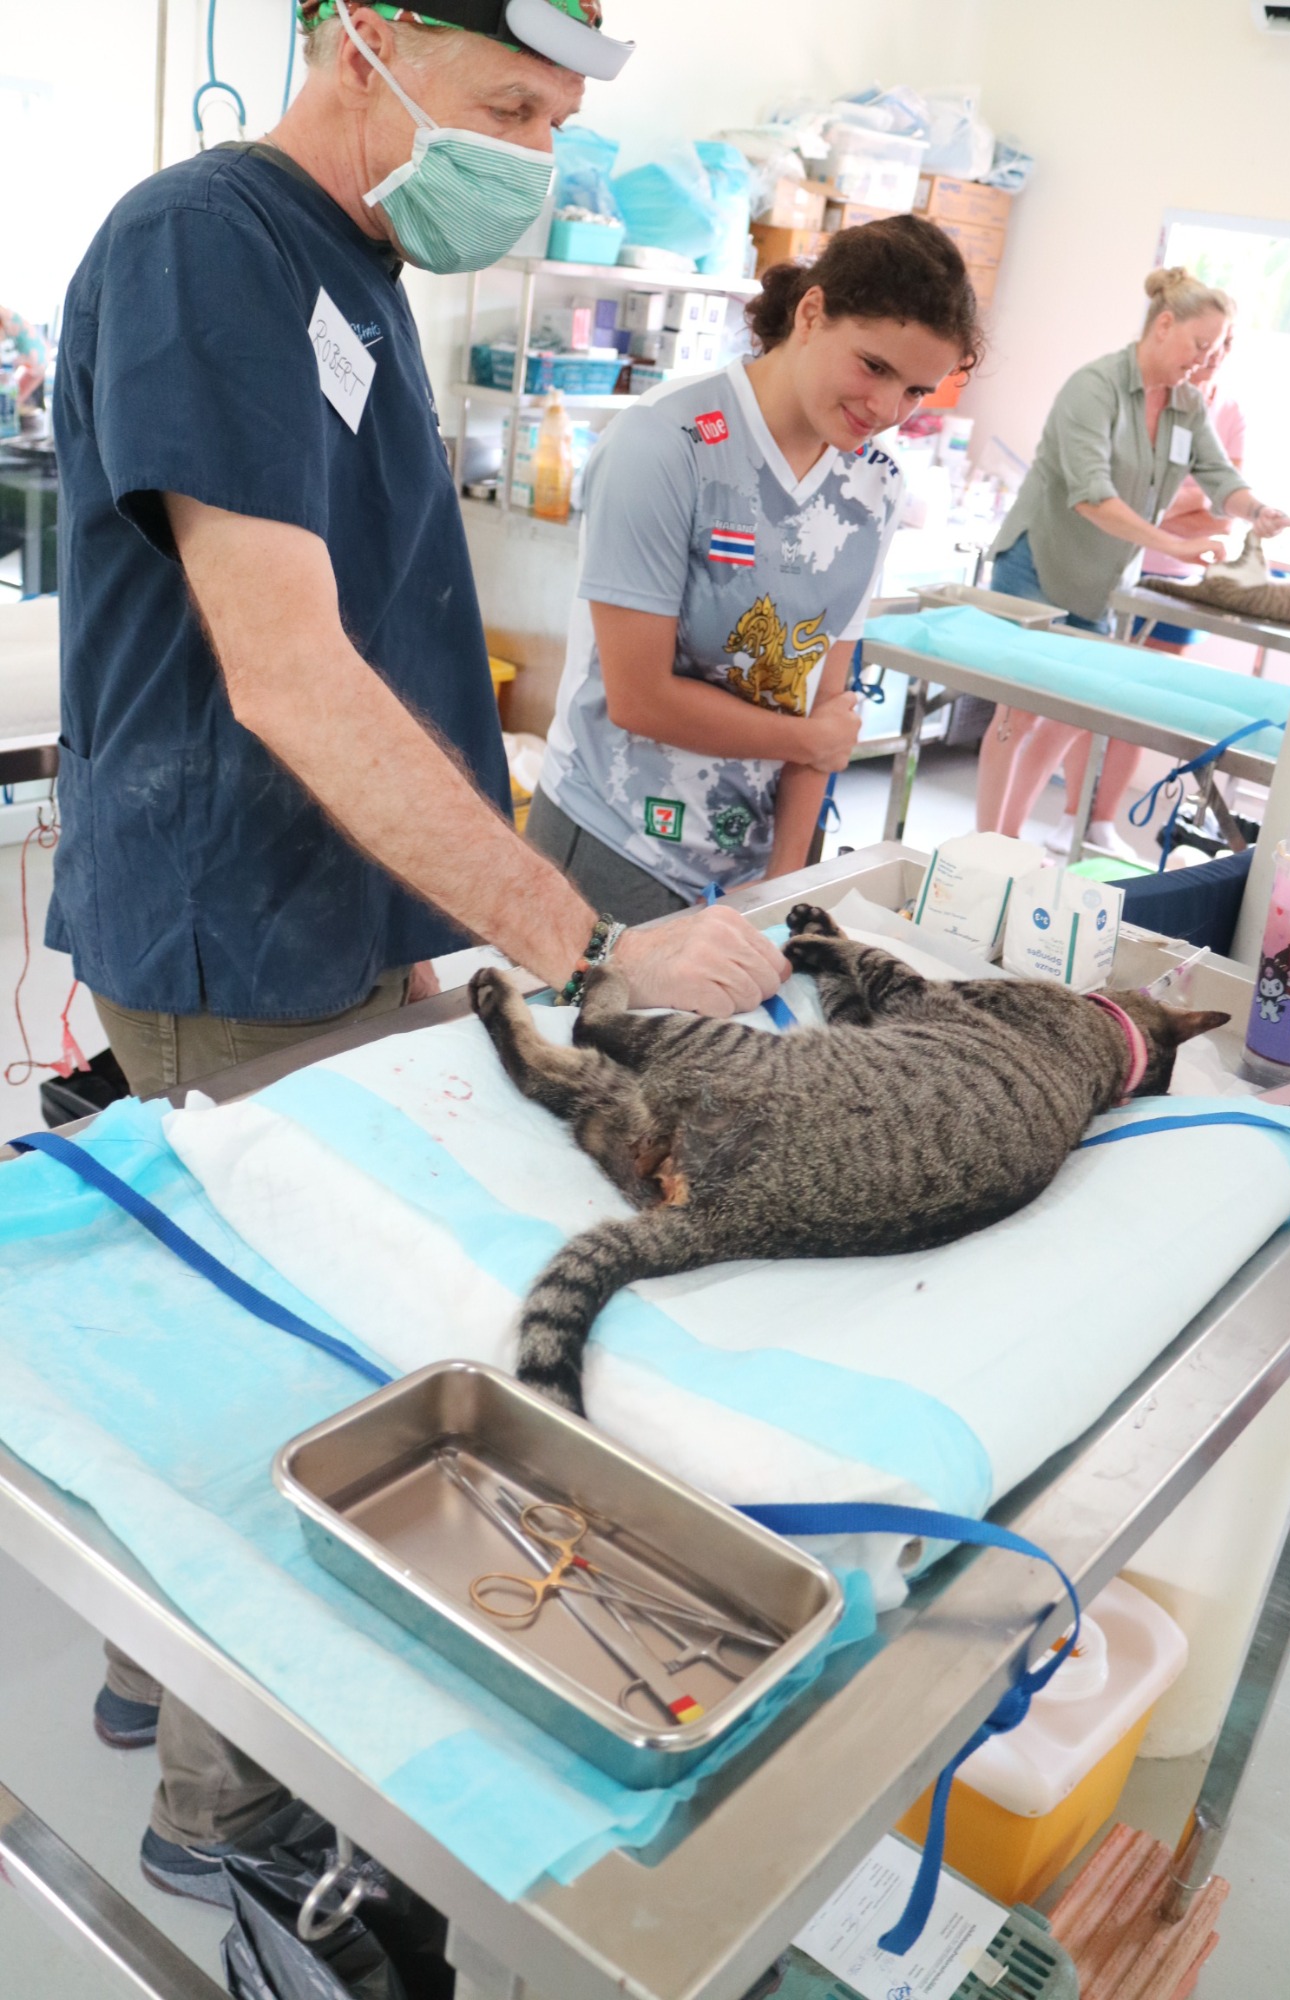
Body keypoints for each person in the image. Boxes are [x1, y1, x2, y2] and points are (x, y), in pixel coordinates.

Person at [53, 0, 785, 1903]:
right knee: (296, 1376)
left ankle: (144, 1678)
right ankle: (224, 1827)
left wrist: (471, 920)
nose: (528, 158)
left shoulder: (357, 267)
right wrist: (584, 949)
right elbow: (293, 676)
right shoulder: (206, 246)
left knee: (246, 1318)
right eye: (505, 106)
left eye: (551, 122)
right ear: (361, 39)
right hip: (235, 915)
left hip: (343, 908)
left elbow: (378, 627)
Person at [528, 217, 982, 917]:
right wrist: (807, 738)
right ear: (811, 313)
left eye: (917, 391)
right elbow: (639, 697)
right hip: (614, 838)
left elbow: (825, 698)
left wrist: (783, 881)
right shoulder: (665, 443)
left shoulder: (875, 484)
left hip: (752, 859)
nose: (887, 409)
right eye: (874, 367)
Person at [975, 268, 1290, 856]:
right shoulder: (1094, 388)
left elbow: (1220, 476)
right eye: (1201, 344)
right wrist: (1172, 544)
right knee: (1018, 712)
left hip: (1098, 582)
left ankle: (1008, 842)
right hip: (1038, 563)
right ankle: (986, 846)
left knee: (1072, 713)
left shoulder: (1186, 404)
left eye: (1217, 349)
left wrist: (1256, 510)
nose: (1206, 360)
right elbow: (1090, 496)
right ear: (1163, 325)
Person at [1137, 319, 1246, 649]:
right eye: (1209, 343)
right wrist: (1200, 498)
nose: (1216, 353)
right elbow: (1125, 498)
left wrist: (1156, 509)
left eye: (1227, 344)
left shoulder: (1231, 413)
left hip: (1182, 577)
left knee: (1158, 678)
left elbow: (1224, 518)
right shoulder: (1149, 399)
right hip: (1122, 562)